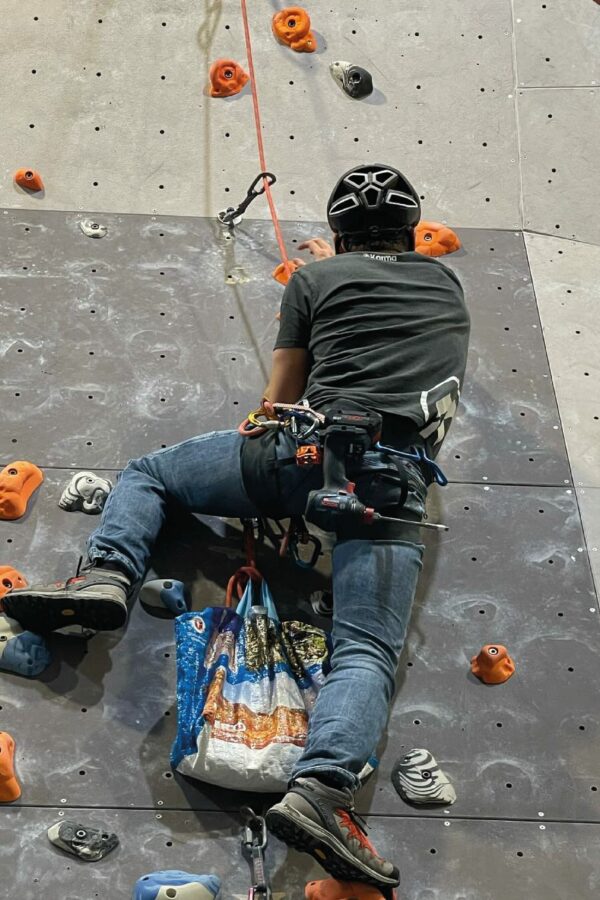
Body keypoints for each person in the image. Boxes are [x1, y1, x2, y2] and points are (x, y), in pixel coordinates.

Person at [4, 164, 470, 892]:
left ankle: (106, 577)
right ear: (412, 232)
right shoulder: (447, 285)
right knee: (366, 651)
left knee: (152, 473)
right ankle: (322, 792)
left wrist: (314, 292)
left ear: (339, 233)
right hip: (389, 485)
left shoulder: (315, 280)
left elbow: (278, 397)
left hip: (299, 457)